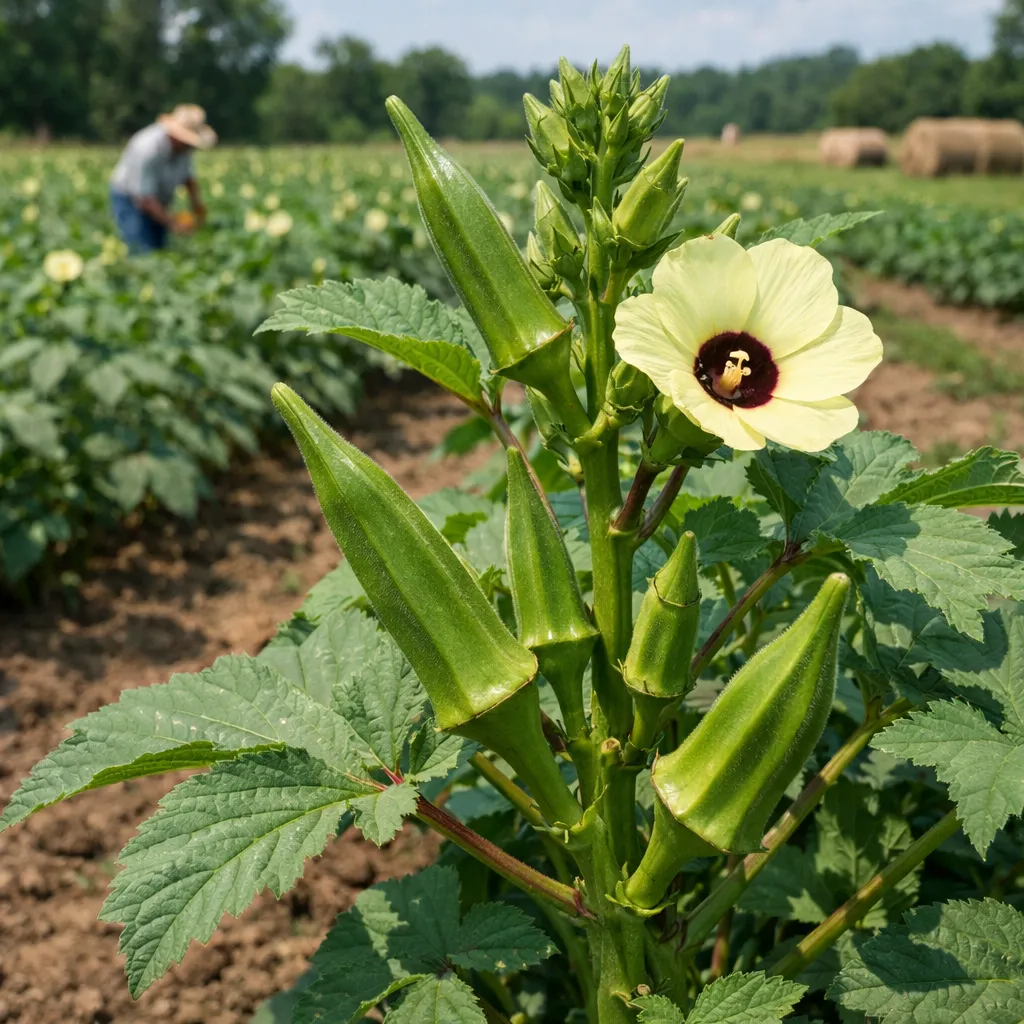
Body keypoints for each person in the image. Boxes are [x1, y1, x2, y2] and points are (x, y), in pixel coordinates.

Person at [109, 104, 217, 253]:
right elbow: (144, 198)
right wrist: (173, 224)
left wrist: (197, 207)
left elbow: (188, 178)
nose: (191, 146)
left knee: (159, 248)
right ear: (175, 135)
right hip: (130, 198)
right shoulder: (147, 148)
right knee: (142, 247)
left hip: (157, 199)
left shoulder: (183, 149)